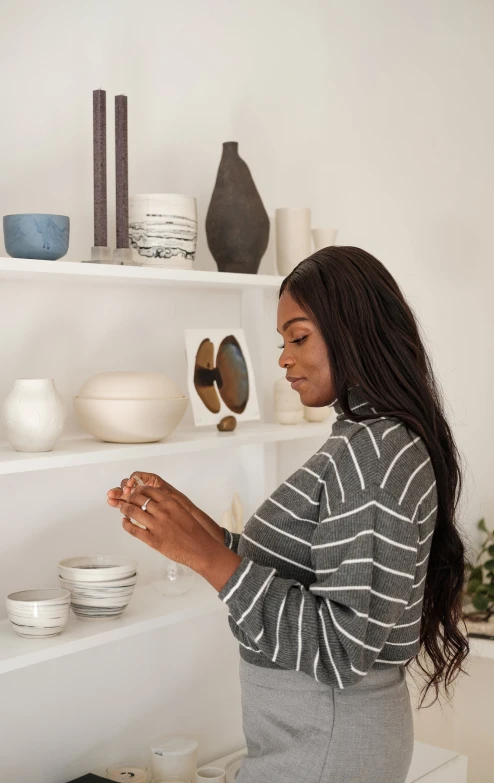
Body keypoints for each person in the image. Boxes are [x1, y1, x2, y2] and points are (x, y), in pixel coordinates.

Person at [107, 247, 469, 783]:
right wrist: (186, 523)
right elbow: (299, 574)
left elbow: (344, 648)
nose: (282, 357)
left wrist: (207, 557)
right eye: (283, 342)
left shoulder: (373, 453)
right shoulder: (368, 439)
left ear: (355, 330)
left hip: (327, 743)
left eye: (298, 337)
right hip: (319, 737)